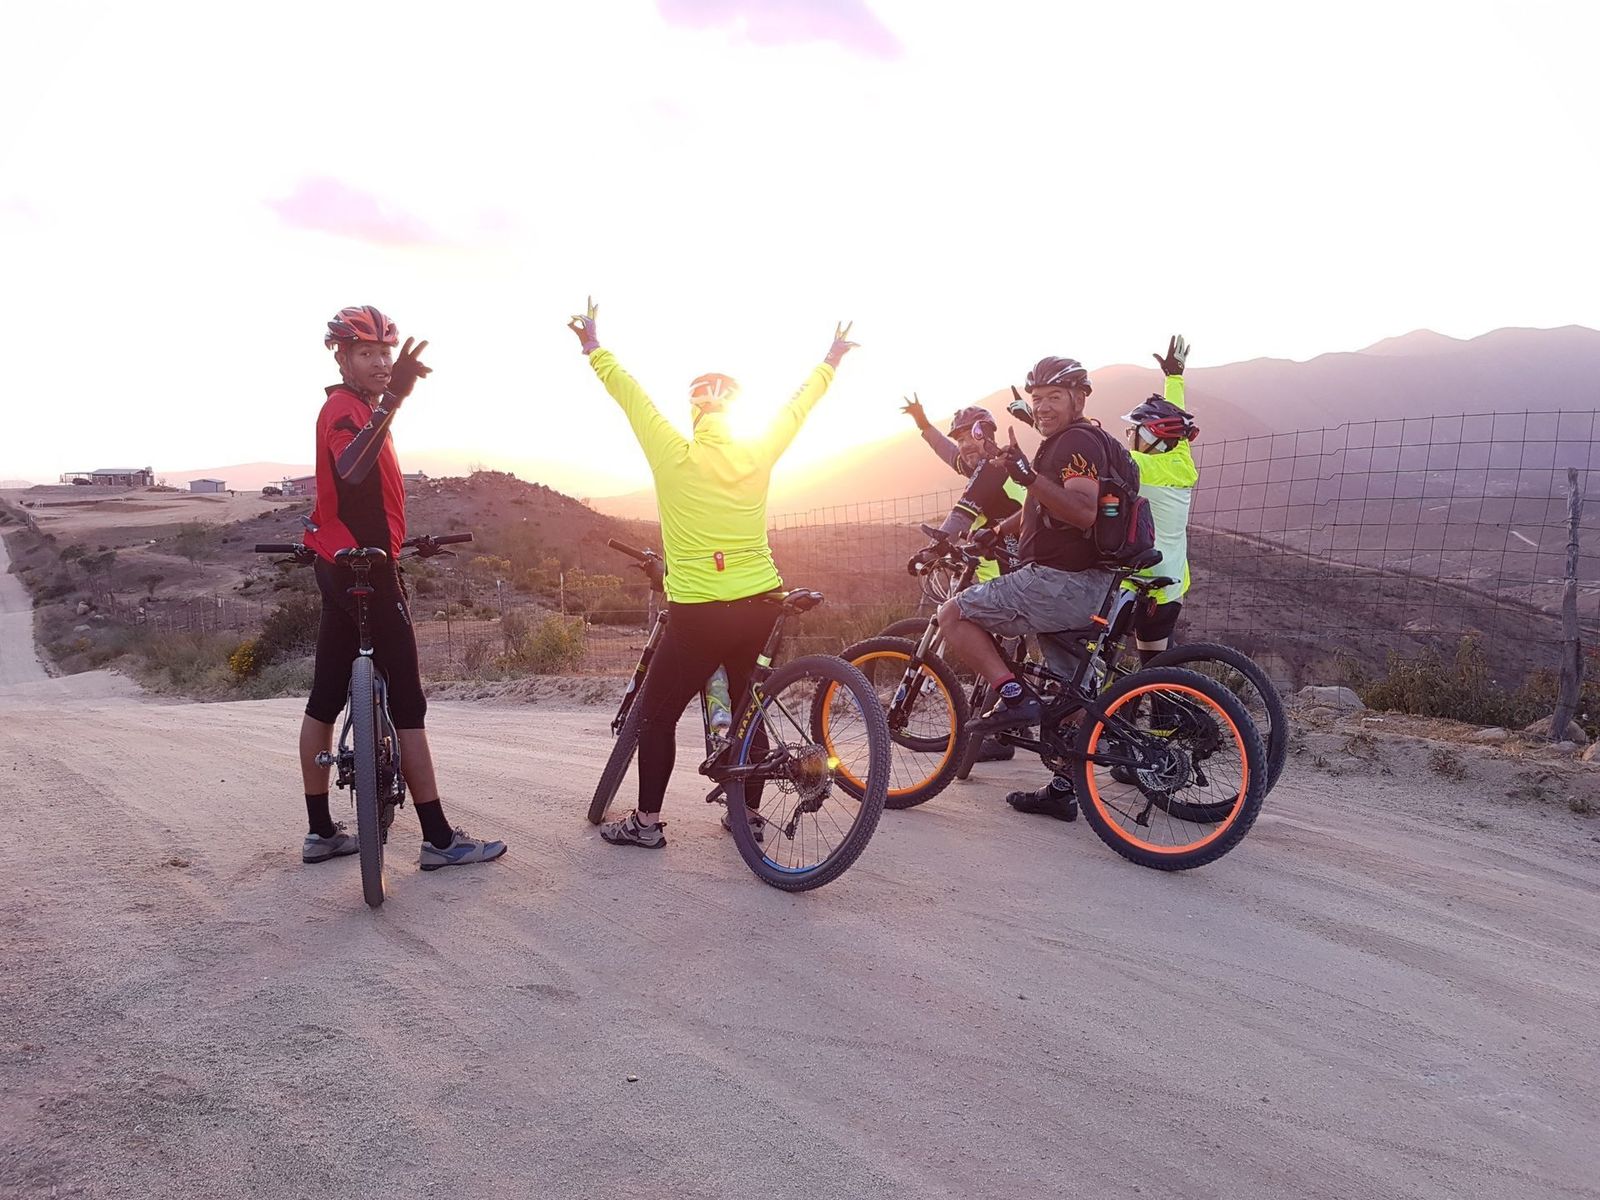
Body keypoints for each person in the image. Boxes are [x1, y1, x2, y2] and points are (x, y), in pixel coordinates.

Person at [568, 297, 856, 849]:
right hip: (761, 602)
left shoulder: (671, 451)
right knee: (747, 707)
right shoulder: (757, 451)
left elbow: (630, 394)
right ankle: (747, 814)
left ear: (695, 414)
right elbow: (798, 407)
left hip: (699, 612)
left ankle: (646, 825)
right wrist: (831, 359)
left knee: (657, 718)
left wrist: (593, 346)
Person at [298, 305, 507, 870]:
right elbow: (352, 470)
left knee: (325, 696)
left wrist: (388, 404)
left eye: (385, 353)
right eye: (366, 352)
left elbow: (360, 495)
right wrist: (393, 401)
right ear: (341, 358)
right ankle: (439, 840)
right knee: (409, 703)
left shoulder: (362, 409)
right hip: (365, 568)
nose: (380, 362)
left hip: (340, 562)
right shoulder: (344, 409)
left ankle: (321, 832)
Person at [1005, 335, 1199, 820]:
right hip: (1172, 585)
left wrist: (1037, 426)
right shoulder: (1180, 462)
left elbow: (1098, 456)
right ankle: (1148, 745)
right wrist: (1174, 380)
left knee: (1084, 669)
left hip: (1134, 583)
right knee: (1152, 670)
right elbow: (1168, 426)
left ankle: (1107, 749)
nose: (1132, 438)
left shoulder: (1143, 466)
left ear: (1153, 439)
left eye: (1139, 433)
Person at [925, 355, 1117, 818]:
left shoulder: (1074, 442)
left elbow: (1082, 511)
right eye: (1037, 399)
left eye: (1054, 397)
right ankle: (1064, 790)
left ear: (1079, 398)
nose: (1043, 407)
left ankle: (1013, 697)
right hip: (1092, 582)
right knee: (1072, 692)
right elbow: (1043, 503)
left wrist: (1027, 476)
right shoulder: (1094, 439)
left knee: (952, 613)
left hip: (1057, 582)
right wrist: (999, 530)